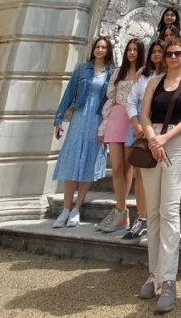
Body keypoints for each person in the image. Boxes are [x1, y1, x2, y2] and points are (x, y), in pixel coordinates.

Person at [139, 36, 181, 313]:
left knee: (169, 211)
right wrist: (153, 139)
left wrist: (165, 138)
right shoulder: (154, 82)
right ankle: (153, 273)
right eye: (169, 53)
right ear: (164, 58)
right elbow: (144, 115)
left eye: (178, 53)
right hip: (153, 140)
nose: (173, 57)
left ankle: (169, 279)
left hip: (176, 142)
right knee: (152, 211)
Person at [52, 36, 116, 228]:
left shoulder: (112, 73)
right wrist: (58, 118)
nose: (100, 50)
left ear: (108, 51)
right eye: (97, 46)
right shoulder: (82, 69)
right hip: (80, 117)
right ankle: (66, 208)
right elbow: (69, 93)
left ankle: (76, 208)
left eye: (103, 47)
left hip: (97, 119)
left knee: (89, 162)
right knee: (71, 162)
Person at [96, 38, 146, 234]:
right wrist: (104, 125)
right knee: (116, 166)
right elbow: (110, 97)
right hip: (116, 117)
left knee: (128, 166)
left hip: (132, 119)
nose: (132, 52)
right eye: (129, 49)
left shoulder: (144, 73)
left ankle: (122, 212)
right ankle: (121, 208)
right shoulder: (118, 72)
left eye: (135, 50)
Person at [124, 40, 165, 242]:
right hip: (139, 128)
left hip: (161, 127)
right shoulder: (143, 77)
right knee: (140, 174)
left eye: (160, 51)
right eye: (154, 51)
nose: (156, 54)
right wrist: (136, 124)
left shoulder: (169, 75)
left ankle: (157, 218)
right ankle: (142, 217)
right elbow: (131, 101)